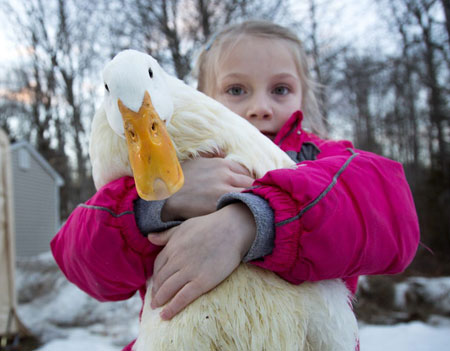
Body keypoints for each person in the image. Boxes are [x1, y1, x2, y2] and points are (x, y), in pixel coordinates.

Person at [51, 20, 420, 351]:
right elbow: (80, 261)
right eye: (237, 90)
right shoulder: (158, 166)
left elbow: (394, 218)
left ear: (303, 95)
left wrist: (252, 222)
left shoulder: (324, 160)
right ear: (202, 97)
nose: (260, 107)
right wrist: (159, 203)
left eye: (280, 89)